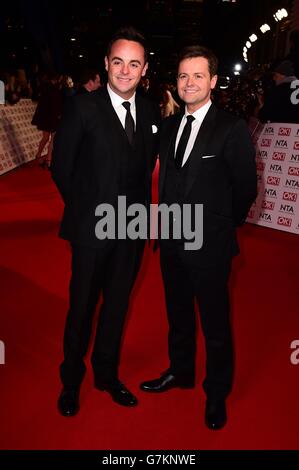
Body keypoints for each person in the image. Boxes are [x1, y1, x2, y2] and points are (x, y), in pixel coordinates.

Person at [140, 45, 257, 430]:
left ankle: (217, 391)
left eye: (197, 75)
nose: (189, 83)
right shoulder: (170, 125)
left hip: (210, 246)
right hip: (171, 241)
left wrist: (220, 229)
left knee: (215, 324)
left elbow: (245, 189)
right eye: (182, 75)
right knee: (178, 316)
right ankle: (181, 371)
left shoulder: (231, 127)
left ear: (213, 81)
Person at [51, 26, 160, 417]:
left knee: (116, 306)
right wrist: (89, 214)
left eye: (134, 64)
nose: (126, 71)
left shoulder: (149, 111)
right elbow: (62, 169)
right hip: (92, 229)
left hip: (131, 230)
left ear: (144, 68)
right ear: (106, 64)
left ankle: (106, 374)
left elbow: (145, 166)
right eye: (118, 62)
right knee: (81, 307)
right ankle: (70, 381)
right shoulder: (83, 107)